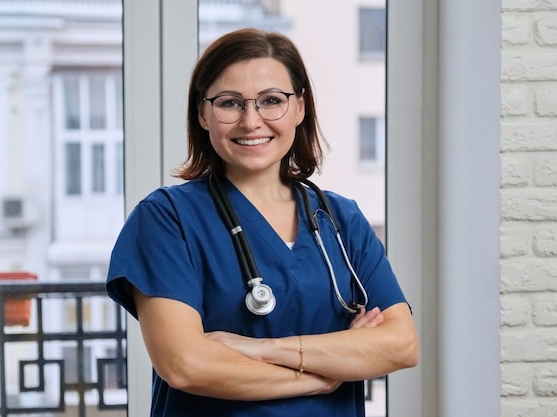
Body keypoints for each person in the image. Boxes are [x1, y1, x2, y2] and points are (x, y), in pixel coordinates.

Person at [106, 28, 419, 417]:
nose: (251, 121)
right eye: (230, 103)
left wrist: (261, 349)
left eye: (272, 100)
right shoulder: (166, 219)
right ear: (203, 114)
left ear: (300, 108)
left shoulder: (341, 219)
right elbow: (185, 365)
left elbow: (401, 345)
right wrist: (325, 376)